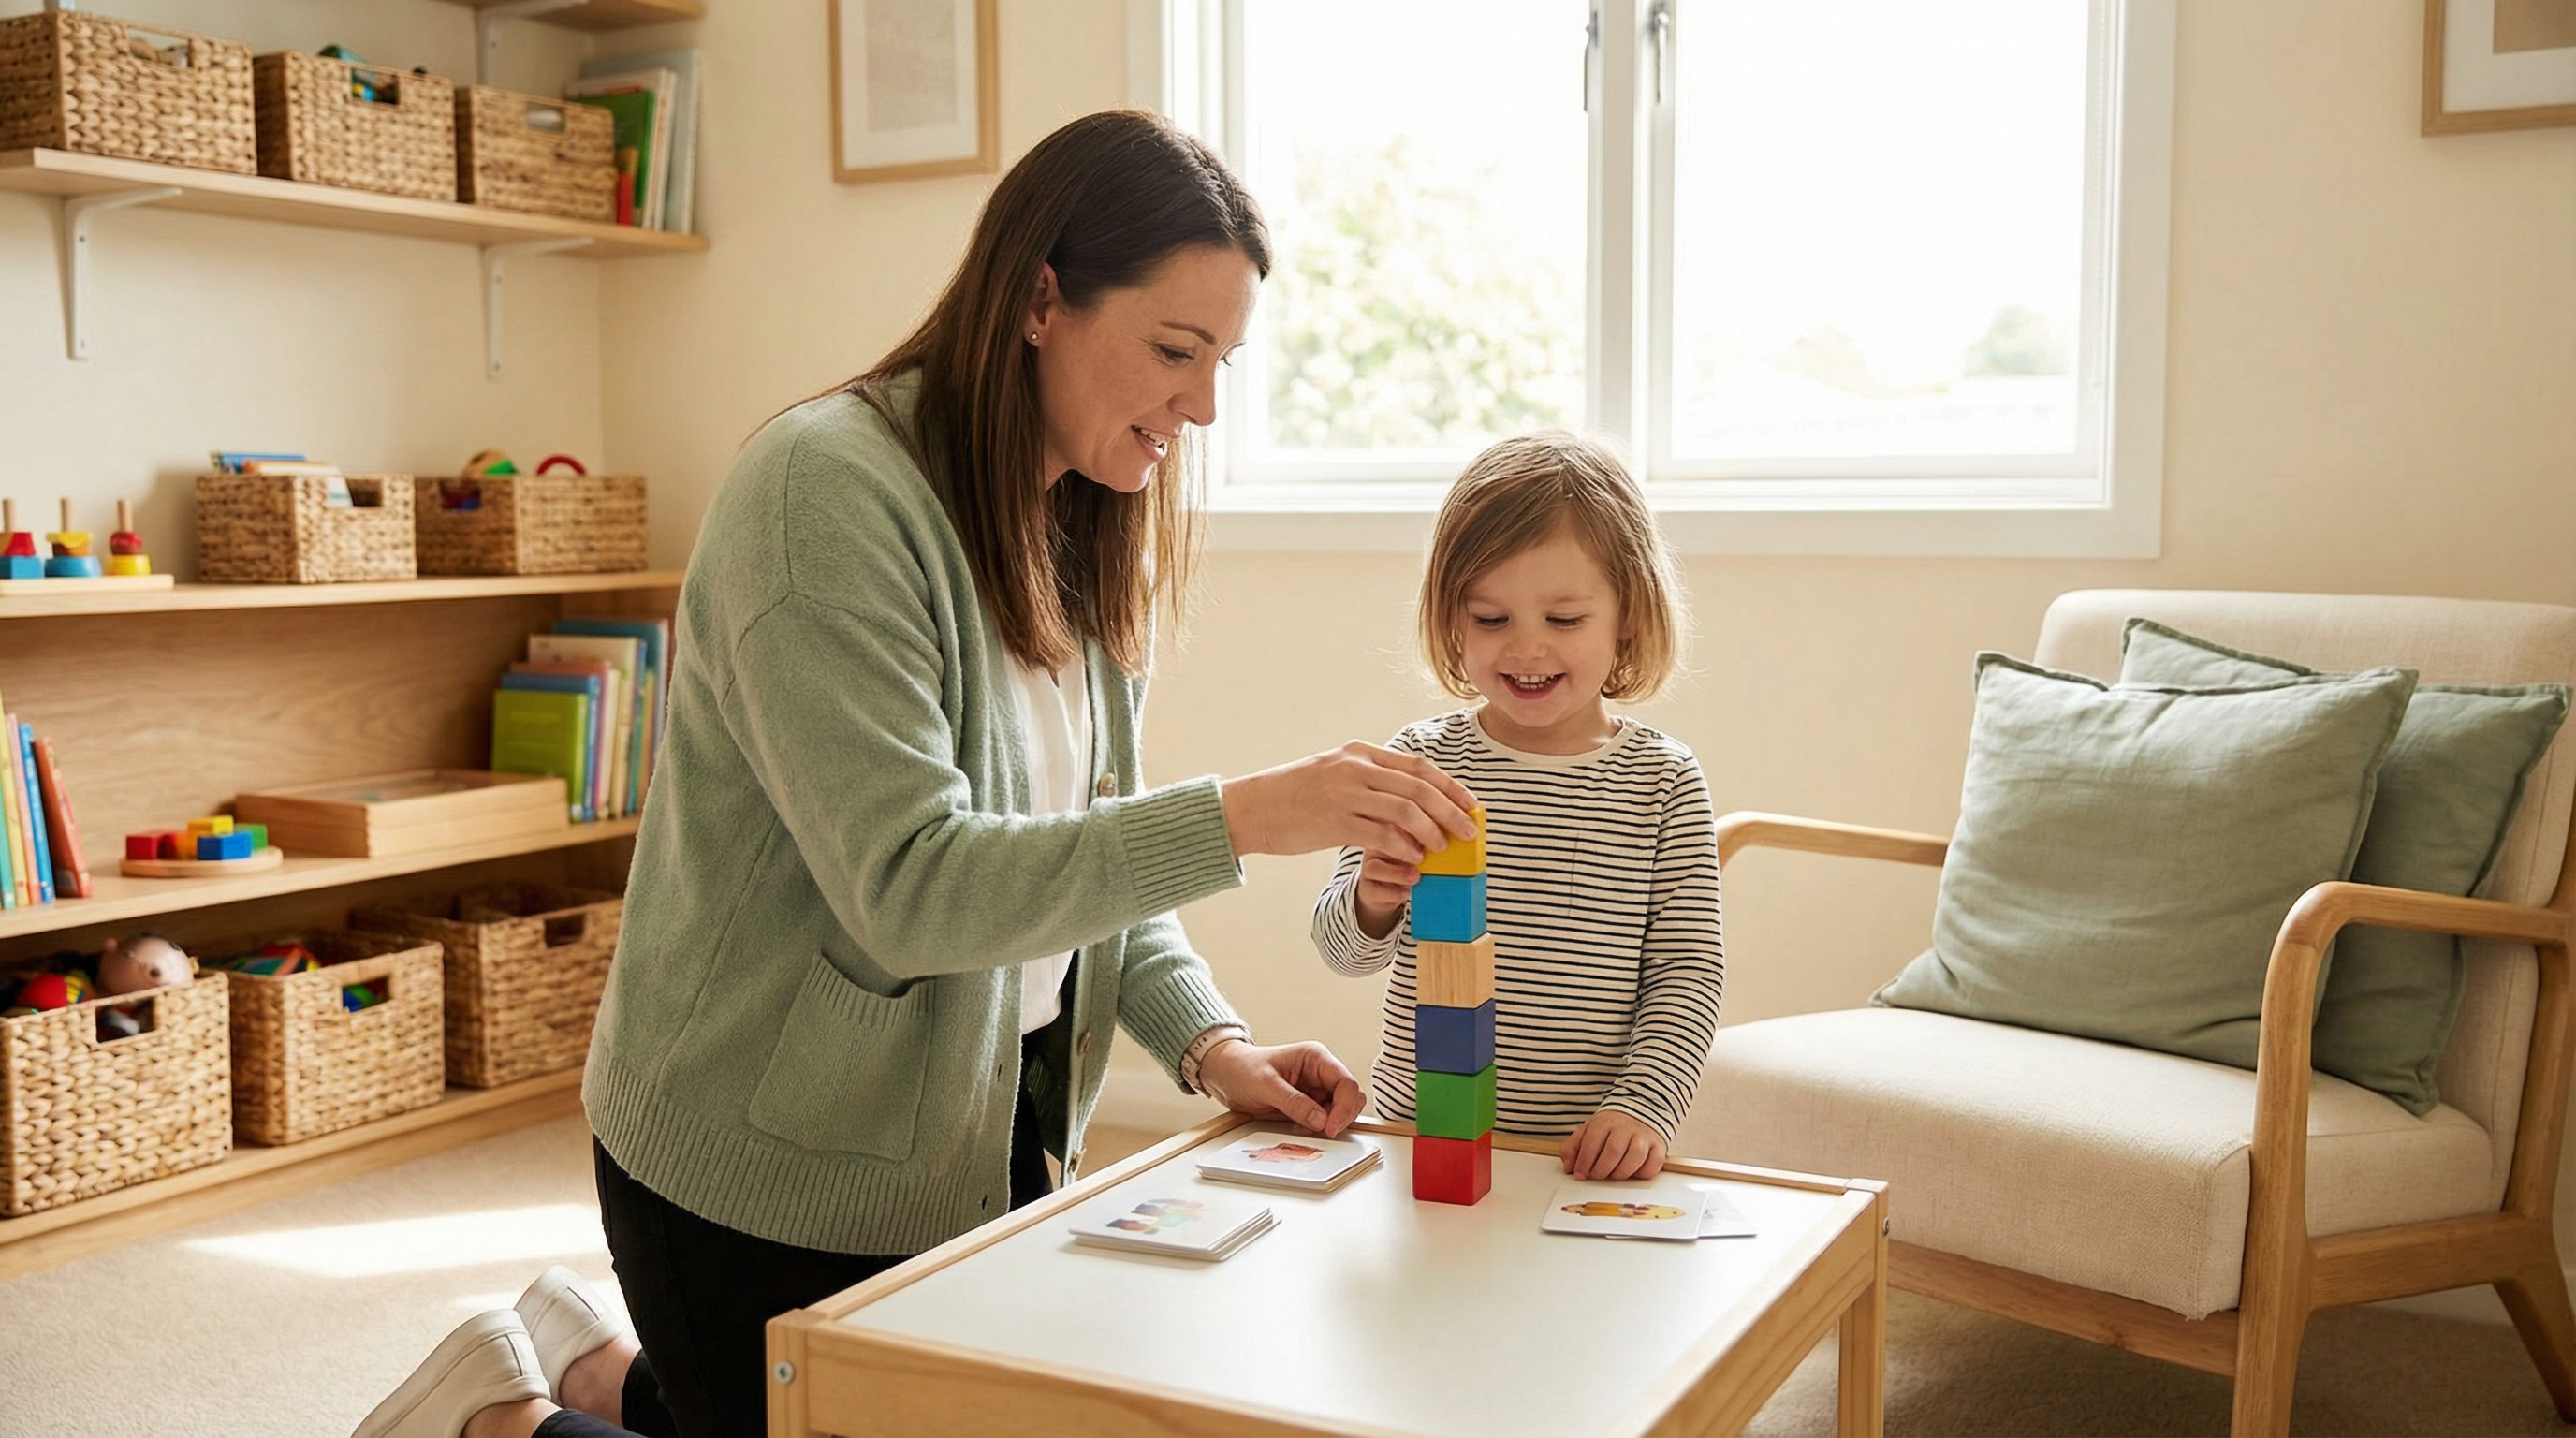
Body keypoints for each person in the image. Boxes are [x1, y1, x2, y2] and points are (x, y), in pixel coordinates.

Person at [356, 109, 1477, 1438]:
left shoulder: (1078, 508)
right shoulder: (821, 497)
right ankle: (504, 1420)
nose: (1204, 404)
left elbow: (1086, 841)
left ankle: (603, 1369)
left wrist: (1210, 1040)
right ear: (1039, 298)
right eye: (1176, 351)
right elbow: (911, 885)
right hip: (757, 1163)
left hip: (968, 1136)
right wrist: (1248, 817)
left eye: (1224, 360)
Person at [1310, 432, 1723, 1183]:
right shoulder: (1420, 762)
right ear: (1451, 616)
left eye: (1564, 620)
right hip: (1421, 1130)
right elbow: (1346, 953)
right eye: (1492, 620)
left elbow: (1687, 974)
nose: (1527, 649)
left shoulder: (1663, 781)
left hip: (1580, 1153)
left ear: (1627, 612)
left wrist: (1643, 1107)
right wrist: (1372, 897)